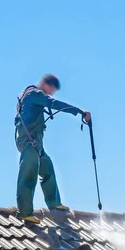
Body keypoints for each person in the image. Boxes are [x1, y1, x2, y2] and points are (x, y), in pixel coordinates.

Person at [14, 74, 91, 224]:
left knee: (47, 167)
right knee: (28, 174)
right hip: (29, 143)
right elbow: (53, 104)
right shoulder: (35, 94)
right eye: (51, 90)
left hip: (35, 144)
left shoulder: (28, 94)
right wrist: (80, 112)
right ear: (46, 85)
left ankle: (54, 204)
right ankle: (24, 212)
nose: (50, 94)